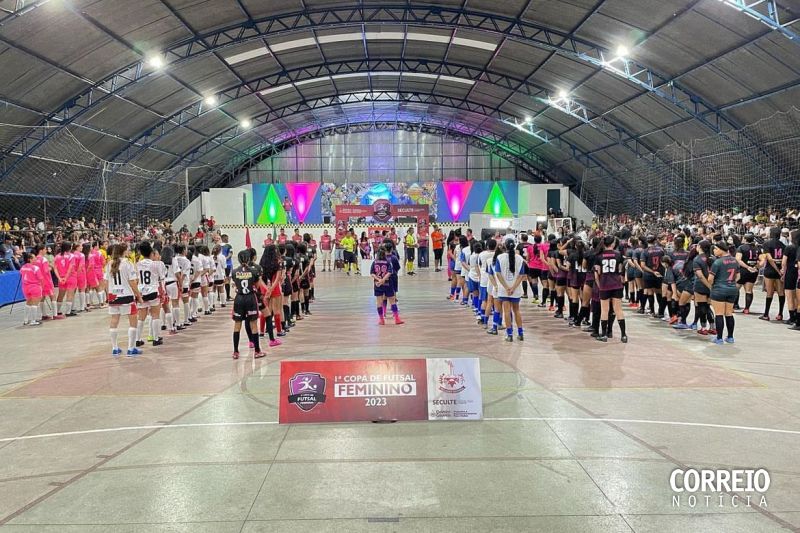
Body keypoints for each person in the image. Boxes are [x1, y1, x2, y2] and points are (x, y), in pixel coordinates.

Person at [106, 243, 143, 356]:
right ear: (123, 251)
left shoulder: (109, 264)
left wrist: (109, 295)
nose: (128, 252)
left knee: (114, 321)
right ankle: (131, 348)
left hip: (113, 296)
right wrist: (139, 296)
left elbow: (106, 282)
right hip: (126, 296)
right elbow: (132, 282)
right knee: (133, 321)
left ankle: (115, 348)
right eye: (127, 250)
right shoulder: (128, 263)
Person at [231, 250, 265, 359]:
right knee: (253, 324)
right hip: (250, 298)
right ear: (249, 259)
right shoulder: (254, 271)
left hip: (239, 298)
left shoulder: (234, 271)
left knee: (237, 325)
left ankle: (236, 351)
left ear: (239, 259)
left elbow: (235, 285)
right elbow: (258, 285)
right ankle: (257, 351)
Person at [594, 235, 628, 343]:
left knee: (605, 310)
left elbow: (597, 273)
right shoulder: (618, 255)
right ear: (613, 243)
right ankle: (623, 335)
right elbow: (620, 270)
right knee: (618, 310)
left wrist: (600, 286)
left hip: (604, 285)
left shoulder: (599, 256)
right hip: (616, 284)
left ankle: (603, 335)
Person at [494, 238, 525, 342]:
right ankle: (520, 333)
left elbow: (498, 274)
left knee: (506, 311)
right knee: (517, 310)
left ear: (505, 246)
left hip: (504, 290)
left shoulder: (500, 257)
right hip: (516, 290)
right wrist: (513, 287)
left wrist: (507, 287)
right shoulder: (520, 258)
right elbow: (521, 275)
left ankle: (509, 334)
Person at [135, 241, 165, 347]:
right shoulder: (155, 264)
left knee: (141, 317)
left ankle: (137, 339)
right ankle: (155, 338)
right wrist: (163, 292)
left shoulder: (138, 264)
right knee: (155, 315)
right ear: (151, 253)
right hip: (152, 290)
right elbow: (161, 279)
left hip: (142, 291)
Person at [709, 242, 739, 344]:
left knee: (719, 314)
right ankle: (730, 337)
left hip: (719, 289)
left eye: (715, 249)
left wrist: (713, 286)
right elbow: (738, 277)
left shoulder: (717, 262)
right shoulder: (735, 261)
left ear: (722, 249)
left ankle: (719, 338)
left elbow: (710, 279)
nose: (714, 250)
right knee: (729, 313)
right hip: (732, 289)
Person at [371, 246, 404, 325]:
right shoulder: (388, 262)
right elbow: (390, 272)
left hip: (377, 285)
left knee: (379, 302)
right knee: (392, 301)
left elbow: (372, 273)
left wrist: (379, 280)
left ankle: (381, 319)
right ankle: (397, 319)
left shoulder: (374, 262)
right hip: (388, 284)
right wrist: (383, 280)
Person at [760, 227, 786, 321]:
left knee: (769, 292)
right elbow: (784, 260)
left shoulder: (766, 244)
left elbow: (769, 259)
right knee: (781, 292)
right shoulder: (783, 245)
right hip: (780, 270)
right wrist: (781, 270)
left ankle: (766, 314)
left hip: (770, 270)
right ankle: (780, 314)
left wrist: (777, 270)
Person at [735, 233, 760, 315]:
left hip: (743, 271)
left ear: (745, 239)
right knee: (749, 290)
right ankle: (747, 309)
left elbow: (738, 259)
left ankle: (731, 306)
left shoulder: (741, 248)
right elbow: (762, 260)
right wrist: (756, 267)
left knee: (735, 288)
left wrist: (747, 267)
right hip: (753, 271)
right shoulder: (757, 248)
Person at [19, 252, 44, 326]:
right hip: (34, 287)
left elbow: (21, 274)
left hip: (25, 287)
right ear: (29, 259)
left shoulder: (23, 267)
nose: (35, 258)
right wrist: (42, 287)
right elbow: (41, 278)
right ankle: (33, 320)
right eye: (34, 257)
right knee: (34, 304)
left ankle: (25, 320)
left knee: (28, 303)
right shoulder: (36, 268)